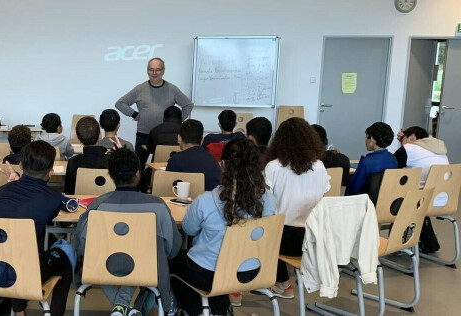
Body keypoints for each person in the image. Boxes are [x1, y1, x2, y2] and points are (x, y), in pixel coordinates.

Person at [171, 138, 276, 315]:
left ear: (223, 164)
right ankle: (219, 308)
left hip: (209, 274)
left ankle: (196, 310)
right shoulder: (269, 199)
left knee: (174, 263)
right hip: (252, 270)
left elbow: (189, 230)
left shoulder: (205, 200)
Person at [75, 147, 181, 316]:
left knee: (95, 258)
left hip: (103, 266)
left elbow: (83, 247)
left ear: (110, 175)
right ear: (138, 174)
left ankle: (120, 306)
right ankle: (124, 306)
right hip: (149, 269)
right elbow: (173, 248)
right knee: (143, 256)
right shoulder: (158, 205)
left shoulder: (97, 205)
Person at [0, 140, 73, 316]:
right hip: (27, 273)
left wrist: (15, 183)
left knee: (12, 248)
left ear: (20, 165)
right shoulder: (53, 199)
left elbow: (21, 204)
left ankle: (19, 312)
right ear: (51, 171)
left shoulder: (2, 191)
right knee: (65, 257)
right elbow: (41, 210)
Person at [264, 117, 330, 299]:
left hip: (281, 238)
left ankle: (282, 283)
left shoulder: (274, 167)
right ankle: (282, 282)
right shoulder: (319, 166)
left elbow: (264, 203)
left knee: (261, 225)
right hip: (314, 237)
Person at [115, 57, 194, 164]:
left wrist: (177, 122)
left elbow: (188, 104)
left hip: (165, 137)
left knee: (164, 167)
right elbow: (120, 103)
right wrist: (134, 114)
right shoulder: (140, 89)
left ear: (163, 71)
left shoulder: (172, 89)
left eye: (158, 70)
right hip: (143, 135)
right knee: (138, 166)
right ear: (147, 71)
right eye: (151, 70)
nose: (154, 73)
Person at [165, 119, 221, 191]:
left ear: (179, 138)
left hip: (181, 201)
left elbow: (168, 188)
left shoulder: (175, 160)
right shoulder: (212, 159)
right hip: (208, 201)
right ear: (202, 141)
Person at [345, 122, 398, 196]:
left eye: (366, 137)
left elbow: (352, 190)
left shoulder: (367, 162)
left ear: (372, 139)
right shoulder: (393, 159)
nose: (365, 140)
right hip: (385, 201)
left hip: (367, 203)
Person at [64, 117, 108, 194]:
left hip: (81, 203)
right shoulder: (112, 161)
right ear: (100, 135)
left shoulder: (72, 162)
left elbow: (69, 192)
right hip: (106, 203)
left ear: (78, 139)